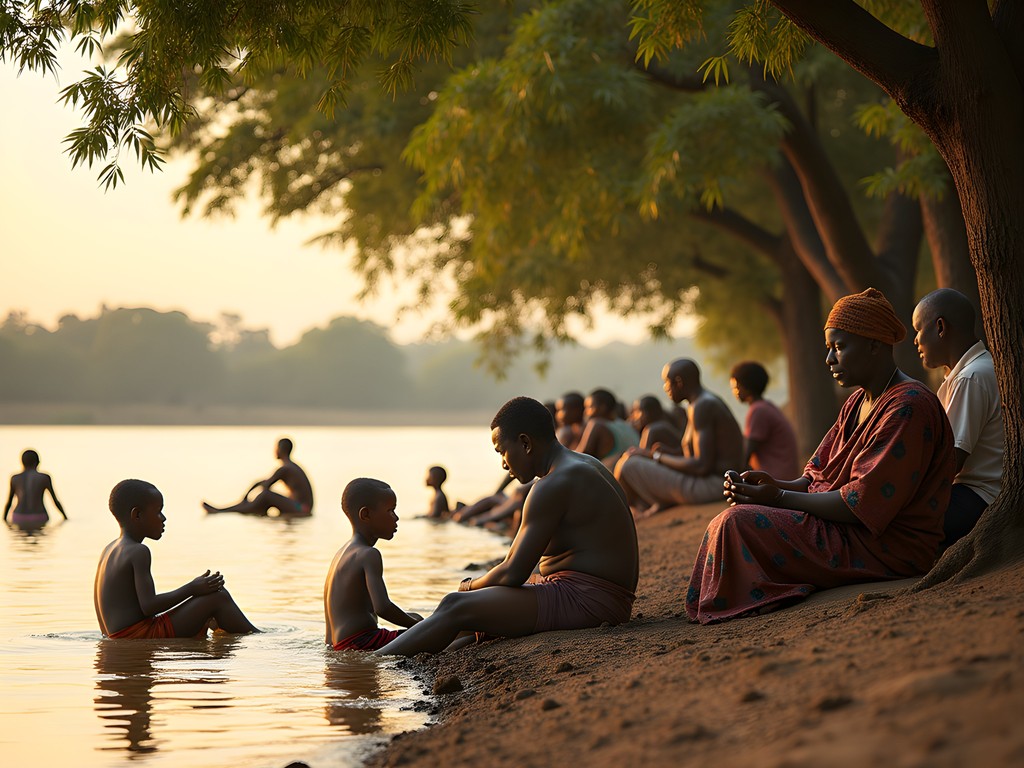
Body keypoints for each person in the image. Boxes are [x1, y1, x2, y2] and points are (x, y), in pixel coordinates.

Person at [687, 288, 954, 624]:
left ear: (874, 344)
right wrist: (768, 488)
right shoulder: (856, 402)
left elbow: (860, 505)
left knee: (736, 523)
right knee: (736, 516)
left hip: (885, 548)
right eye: (829, 349)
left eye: (839, 348)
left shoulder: (908, 405)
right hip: (841, 528)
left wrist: (779, 498)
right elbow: (815, 478)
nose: (829, 360)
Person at [376, 396, 639, 656]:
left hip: (590, 601)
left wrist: (468, 586)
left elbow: (513, 572)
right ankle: (384, 663)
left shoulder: (552, 484)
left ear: (525, 443)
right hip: (596, 596)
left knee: (454, 604)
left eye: (502, 451)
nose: (503, 463)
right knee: (463, 628)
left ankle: (375, 664)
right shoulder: (583, 463)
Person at [95, 479, 259, 638]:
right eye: (158, 511)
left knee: (210, 601)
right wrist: (192, 588)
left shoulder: (109, 549)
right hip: (138, 635)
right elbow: (149, 606)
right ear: (137, 514)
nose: (163, 518)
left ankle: (223, 631)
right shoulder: (138, 551)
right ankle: (257, 638)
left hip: (121, 635)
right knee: (218, 597)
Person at [912, 288, 1004, 548]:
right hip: (976, 494)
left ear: (940, 327)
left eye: (918, 330)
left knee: (898, 525)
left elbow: (952, 460)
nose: (915, 340)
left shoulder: (971, 378)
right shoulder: (975, 370)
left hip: (978, 497)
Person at [614, 359, 744, 517]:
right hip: (714, 481)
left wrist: (656, 456)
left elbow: (702, 466)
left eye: (666, 382)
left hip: (716, 485)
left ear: (678, 382)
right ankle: (651, 503)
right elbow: (699, 455)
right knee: (633, 458)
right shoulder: (699, 403)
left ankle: (631, 512)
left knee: (628, 464)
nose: (665, 388)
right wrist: (668, 453)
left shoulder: (702, 406)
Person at [324, 478, 424, 651]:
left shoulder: (341, 554)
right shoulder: (369, 554)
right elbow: (383, 607)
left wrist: (414, 621)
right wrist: (418, 626)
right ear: (366, 515)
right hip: (363, 642)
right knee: (434, 633)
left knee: (417, 617)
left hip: (340, 644)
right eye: (390, 511)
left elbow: (330, 622)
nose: (396, 517)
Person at [202, 437, 313, 516]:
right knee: (261, 499)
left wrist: (247, 496)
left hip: (302, 508)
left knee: (265, 495)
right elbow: (264, 482)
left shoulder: (285, 469)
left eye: (276, 447)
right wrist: (247, 494)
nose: (275, 450)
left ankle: (221, 511)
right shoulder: (291, 467)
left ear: (281, 449)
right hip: (300, 507)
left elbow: (266, 485)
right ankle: (222, 510)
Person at [729, 361, 800, 479]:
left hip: (776, 478)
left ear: (746, 386)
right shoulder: (766, 406)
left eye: (736, 387)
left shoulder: (758, 411)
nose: (734, 392)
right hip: (786, 475)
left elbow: (745, 455)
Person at [575, 388, 639, 469]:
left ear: (602, 408)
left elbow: (578, 458)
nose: (585, 412)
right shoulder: (626, 426)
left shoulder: (596, 424)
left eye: (589, 407)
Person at [4, 449, 67, 527]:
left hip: (19, 516)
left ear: (22, 462)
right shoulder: (44, 477)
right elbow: (55, 500)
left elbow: (9, 502)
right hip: (39, 516)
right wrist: (65, 517)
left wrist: (4, 520)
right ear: (38, 462)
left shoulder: (15, 478)